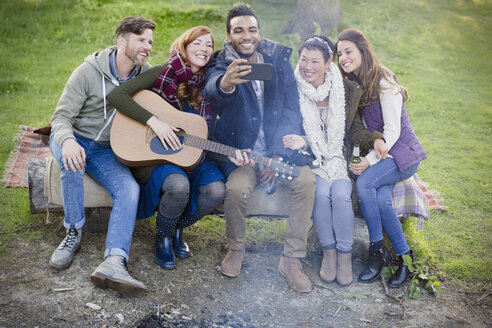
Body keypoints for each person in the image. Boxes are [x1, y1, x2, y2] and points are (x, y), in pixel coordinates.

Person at [204, 5, 316, 293]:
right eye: (238, 30)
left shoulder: (277, 60)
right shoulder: (221, 63)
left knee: (306, 182)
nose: (246, 35)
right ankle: (236, 249)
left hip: (279, 152)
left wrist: (278, 155)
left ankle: (291, 259)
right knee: (237, 189)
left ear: (259, 33)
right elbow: (213, 90)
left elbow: (292, 110)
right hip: (244, 155)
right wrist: (226, 83)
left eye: (251, 29)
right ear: (229, 36)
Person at [49, 16, 155, 296]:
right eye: (141, 40)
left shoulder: (143, 77)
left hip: (107, 150)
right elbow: (60, 117)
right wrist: (69, 141)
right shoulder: (87, 71)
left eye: (150, 41)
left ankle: (115, 259)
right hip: (73, 136)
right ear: (122, 41)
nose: (148, 46)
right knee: (72, 162)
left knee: (129, 188)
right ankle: (73, 232)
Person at [108, 26, 225, 270]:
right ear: (184, 45)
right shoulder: (164, 72)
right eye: (197, 43)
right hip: (155, 155)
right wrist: (154, 122)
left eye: (209, 45)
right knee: (178, 186)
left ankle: (177, 226)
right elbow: (118, 96)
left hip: (193, 155)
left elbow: (208, 131)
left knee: (215, 192)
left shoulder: (212, 84)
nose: (204, 49)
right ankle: (163, 235)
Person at [282, 35, 388, 286]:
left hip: (338, 159)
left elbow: (352, 129)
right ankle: (329, 254)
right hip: (313, 160)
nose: (307, 66)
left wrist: (374, 139)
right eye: (303, 59)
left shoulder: (345, 90)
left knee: (340, 194)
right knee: (320, 194)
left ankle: (344, 254)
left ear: (328, 62)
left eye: (315, 61)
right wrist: (302, 141)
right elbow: (291, 125)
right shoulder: (294, 89)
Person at [336, 28, 427, 287]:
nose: (343, 57)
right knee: (380, 199)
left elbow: (392, 132)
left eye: (348, 51)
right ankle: (405, 260)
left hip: (402, 154)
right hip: (384, 152)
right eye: (339, 54)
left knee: (365, 183)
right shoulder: (356, 84)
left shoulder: (384, 82)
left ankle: (375, 254)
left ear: (363, 50)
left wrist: (370, 162)